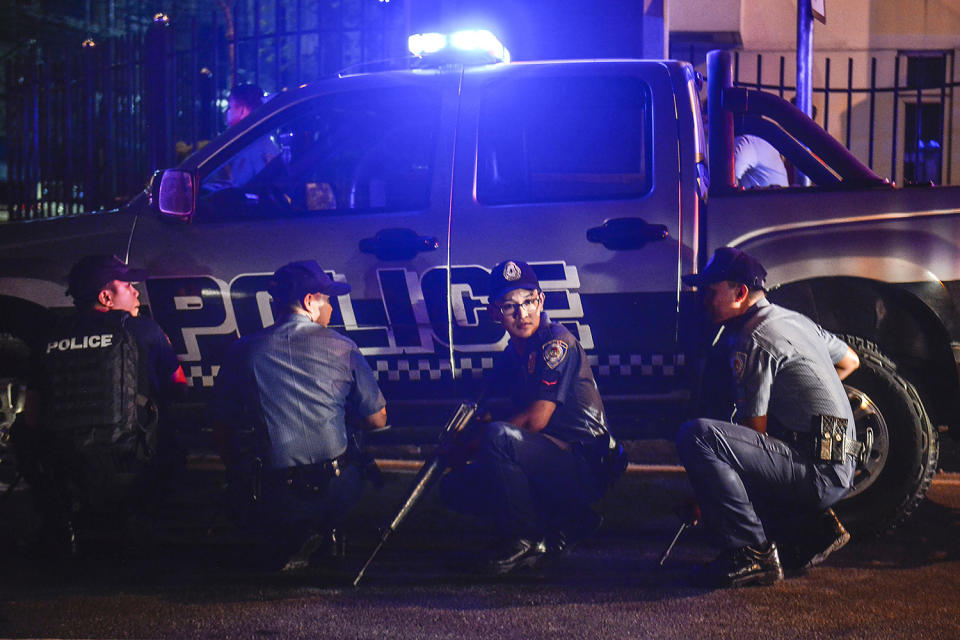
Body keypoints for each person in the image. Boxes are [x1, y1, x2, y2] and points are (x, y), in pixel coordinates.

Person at [676, 247, 861, 588]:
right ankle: (809, 528)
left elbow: (753, 436)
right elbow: (851, 361)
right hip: (839, 460)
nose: (703, 299)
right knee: (749, 435)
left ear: (740, 293)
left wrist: (707, 495)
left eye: (710, 291)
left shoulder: (753, 338)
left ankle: (751, 554)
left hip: (819, 474)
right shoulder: (792, 319)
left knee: (699, 436)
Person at [439, 260, 625, 575]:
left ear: (540, 300)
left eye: (528, 302)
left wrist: (473, 445)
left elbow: (534, 421)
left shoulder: (556, 344)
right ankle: (566, 517)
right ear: (494, 313)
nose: (521, 314)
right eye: (509, 306)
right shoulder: (515, 353)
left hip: (586, 460)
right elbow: (493, 408)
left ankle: (523, 540)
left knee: (497, 439)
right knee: (456, 487)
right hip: (553, 455)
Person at [211, 260, 386, 570]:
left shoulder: (242, 351)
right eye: (327, 299)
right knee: (352, 427)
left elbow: (223, 425)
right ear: (309, 301)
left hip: (270, 495)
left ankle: (284, 533)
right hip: (336, 490)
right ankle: (326, 528)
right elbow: (377, 420)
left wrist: (238, 476)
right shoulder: (343, 347)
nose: (331, 307)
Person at [12, 254, 187, 557]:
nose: (135, 292)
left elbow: (32, 418)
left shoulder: (48, 337)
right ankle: (144, 518)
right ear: (106, 296)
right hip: (132, 465)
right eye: (128, 285)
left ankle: (59, 522)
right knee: (174, 422)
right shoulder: (145, 329)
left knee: (21, 432)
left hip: (65, 470)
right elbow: (178, 387)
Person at [205, 84, 279, 190]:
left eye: (230, 106)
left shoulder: (256, 148)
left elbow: (258, 191)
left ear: (243, 110)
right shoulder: (250, 143)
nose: (227, 112)